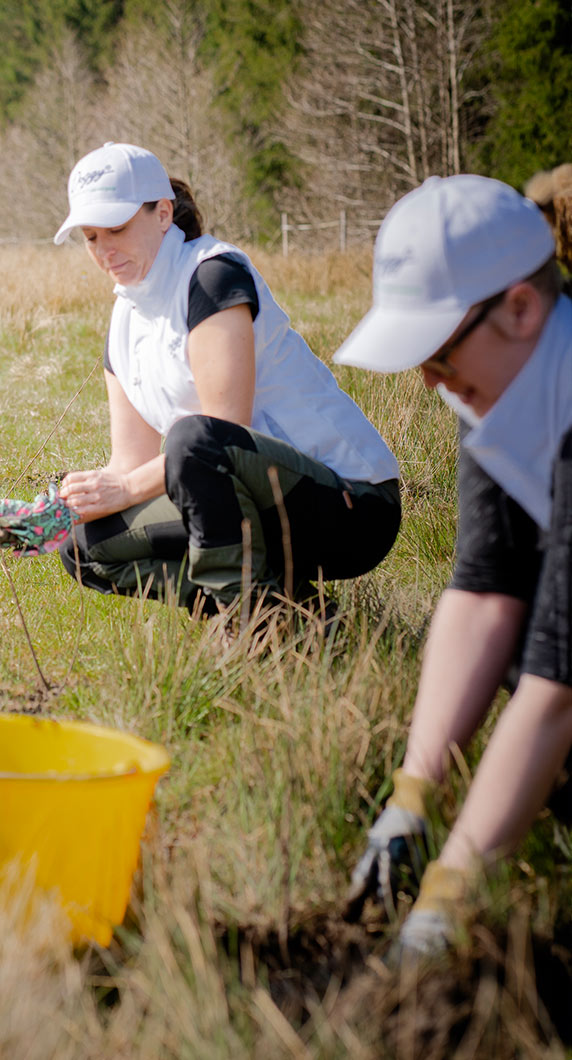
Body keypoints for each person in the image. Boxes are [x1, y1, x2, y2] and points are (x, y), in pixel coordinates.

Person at [334, 174, 572, 958]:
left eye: (436, 350)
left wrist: (451, 891)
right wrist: (414, 793)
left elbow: (559, 680)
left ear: (519, 308)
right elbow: (484, 589)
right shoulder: (500, 390)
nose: (428, 380)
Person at [52, 142, 401, 618]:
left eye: (116, 228)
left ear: (162, 214)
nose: (104, 250)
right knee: (83, 547)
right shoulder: (123, 321)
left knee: (194, 439)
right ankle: (294, 615)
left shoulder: (212, 275)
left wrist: (129, 490)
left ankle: (248, 627)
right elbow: (129, 464)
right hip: (237, 498)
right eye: (91, 237)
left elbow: (222, 426)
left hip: (350, 504)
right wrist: (52, 514)